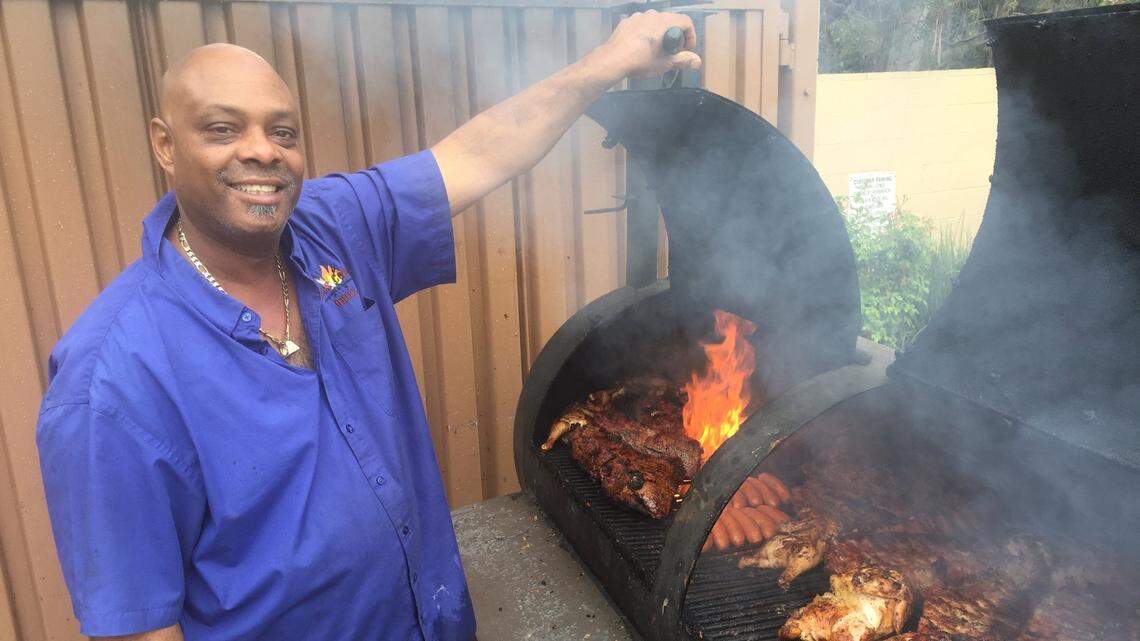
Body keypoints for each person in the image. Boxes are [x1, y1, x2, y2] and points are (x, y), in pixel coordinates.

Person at [34, 9, 699, 641]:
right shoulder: (110, 382)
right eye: (222, 129)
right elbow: (136, 626)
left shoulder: (333, 229)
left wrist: (606, 65)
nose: (262, 152)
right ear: (163, 144)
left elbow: (478, 154)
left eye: (283, 132)